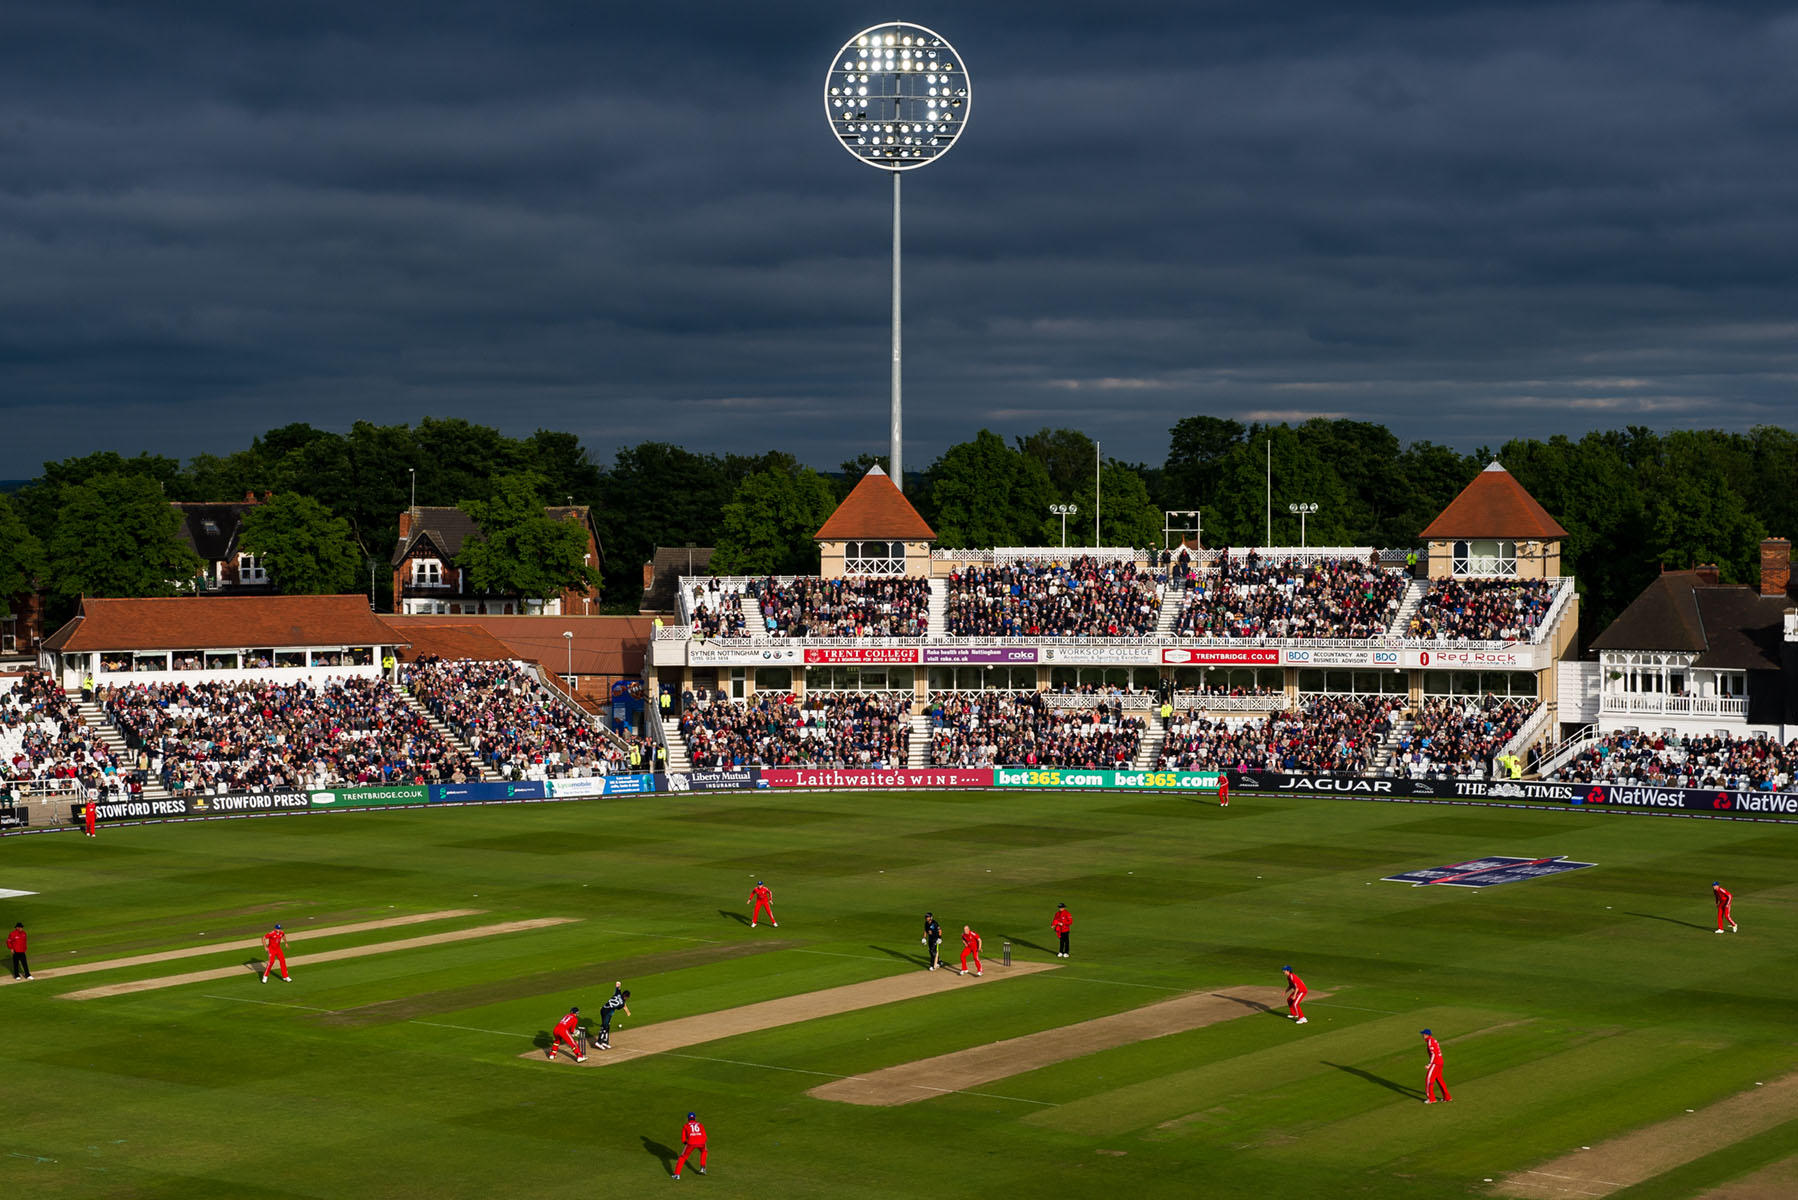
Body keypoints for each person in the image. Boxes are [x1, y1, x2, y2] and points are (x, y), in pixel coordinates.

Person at [672, 1111, 707, 1179]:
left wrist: (687, 1145)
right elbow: (705, 1137)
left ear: (688, 1118)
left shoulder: (686, 1126)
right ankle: (703, 1167)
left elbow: (683, 1139)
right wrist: (702, 1142)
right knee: (704, 1151)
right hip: (702, 1142)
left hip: (691, 1143)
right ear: (695, 1118)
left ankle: (677, 1175)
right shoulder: (700, 1124)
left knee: (682, 1157)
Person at [597, 981, 631, 1049]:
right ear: (625, 996)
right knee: (605, 1026)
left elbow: (617, 986)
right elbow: (621, 1006)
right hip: (607, 1012)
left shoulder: (618, 993)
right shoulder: (622, 1003)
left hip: (604, 1010)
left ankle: (605, 1042)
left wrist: (619, 984)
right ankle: (598, 1042)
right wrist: (627, 1012)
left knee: (607, 1026)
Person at [1422, 1029, 1452, 1103]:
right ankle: (1447, 1097)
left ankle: (1431, 1099)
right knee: (1439, 1079)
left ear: (1426, 1035)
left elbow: (1433, 1054)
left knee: (1429, 1080)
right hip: (1440, 1062)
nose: (1422, 1036)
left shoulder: (1430, 1042)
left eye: (1423, 1034)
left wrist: (1429, 1064)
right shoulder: (1433, 1040)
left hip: (1435, 1063)